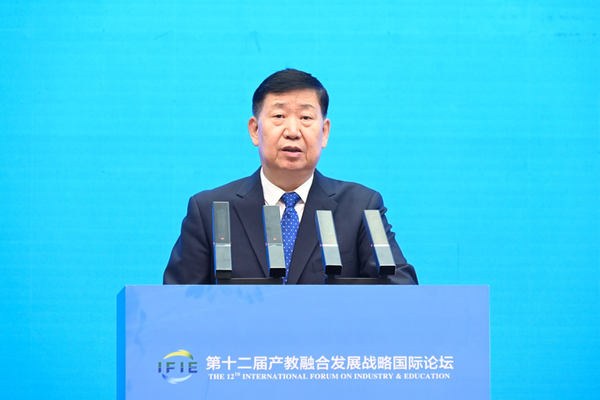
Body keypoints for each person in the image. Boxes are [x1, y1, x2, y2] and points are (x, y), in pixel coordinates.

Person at [164, 69, 418, 285]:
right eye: (279, 116)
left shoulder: (360, 207)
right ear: (254, 130)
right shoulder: (210, 210)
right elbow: (175, 306)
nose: (293, 131)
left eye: (306, 118)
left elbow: (401, 292)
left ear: (324, 132)